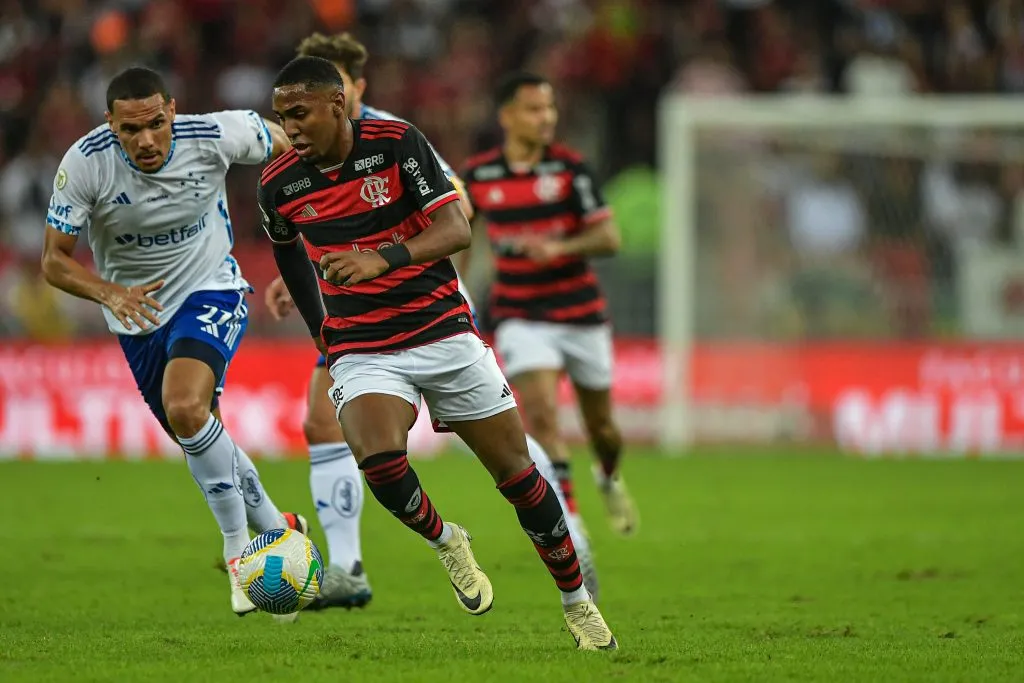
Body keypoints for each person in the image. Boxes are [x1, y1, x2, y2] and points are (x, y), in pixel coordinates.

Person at [260, 55, 616, 650]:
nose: (289, 128)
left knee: (518, 477)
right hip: (363, 344)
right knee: (380, 463)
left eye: (300, 114)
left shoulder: (397, 143)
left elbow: (456, 229)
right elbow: (287, 251)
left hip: (442, 330)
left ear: (337, 104)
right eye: (281, 116)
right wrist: (321, 329)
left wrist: (382, 259)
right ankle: (447, 540)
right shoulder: (278, 182)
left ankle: (576, 601)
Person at [41, 67, 307, 617]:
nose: (145, 140)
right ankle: (277, 526)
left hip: (211, 288)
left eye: (156, 124)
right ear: (110, 124)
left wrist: (298, 229)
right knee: (200, 432)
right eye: (130, 129)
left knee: (185, 407)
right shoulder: (86, 163)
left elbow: (289, 144)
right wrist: (108, 292)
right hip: (137, 315)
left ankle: (238, 552)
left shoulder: (216, 134)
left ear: (173, 111)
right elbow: (53, 261)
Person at [461, 72, 638, 537]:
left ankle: (608, 475)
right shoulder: (479, 175)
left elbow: (609, 236)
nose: (547, 118)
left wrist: (559, 248)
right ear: (507, 116)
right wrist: (458, 287)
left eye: (550, 108)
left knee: (603, 428)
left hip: (580, 313)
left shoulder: (570, 170)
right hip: (519, 313)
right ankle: (571, 523)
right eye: (535, 109)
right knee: (540, 415)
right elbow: (460, 233)